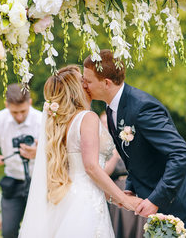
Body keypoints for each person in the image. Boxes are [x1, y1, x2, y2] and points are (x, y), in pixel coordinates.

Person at [83, 49, 186, 238]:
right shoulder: (111, 108)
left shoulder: (142, 107)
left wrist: (155, 199)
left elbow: (180, 154)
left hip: (183, 200)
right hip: (157, 199)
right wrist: (129, 188)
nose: (84, 85)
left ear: (106, 83)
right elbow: (133, 155)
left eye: (88, 81)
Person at [19, 65, 141, 238]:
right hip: (85, 203)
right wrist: (124, 199)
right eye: (83, 80)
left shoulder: (65, 122)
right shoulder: (87, 117)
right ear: (78, 89)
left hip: (70, 199)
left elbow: (84, 172)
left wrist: (113, 196)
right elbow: (91, 168)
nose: (87, 82)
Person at [0, 83, 42, 238]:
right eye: (14, 112)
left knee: (38, 231)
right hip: (12, 183)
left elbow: (56, 152)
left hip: (39, 183)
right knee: (8, 232)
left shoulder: (42, 120)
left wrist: (38, 153)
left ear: (30, 102)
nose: (19, 116)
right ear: (6, 104)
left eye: (23, 111)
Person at [101, 113, 146, 238]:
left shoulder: (128, 142)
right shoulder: (103, 147)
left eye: (107, 122)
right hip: (115, 190)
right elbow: (105, 172)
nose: (106, 126)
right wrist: (115, 153)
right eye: (103, 123)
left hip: (134, 189)